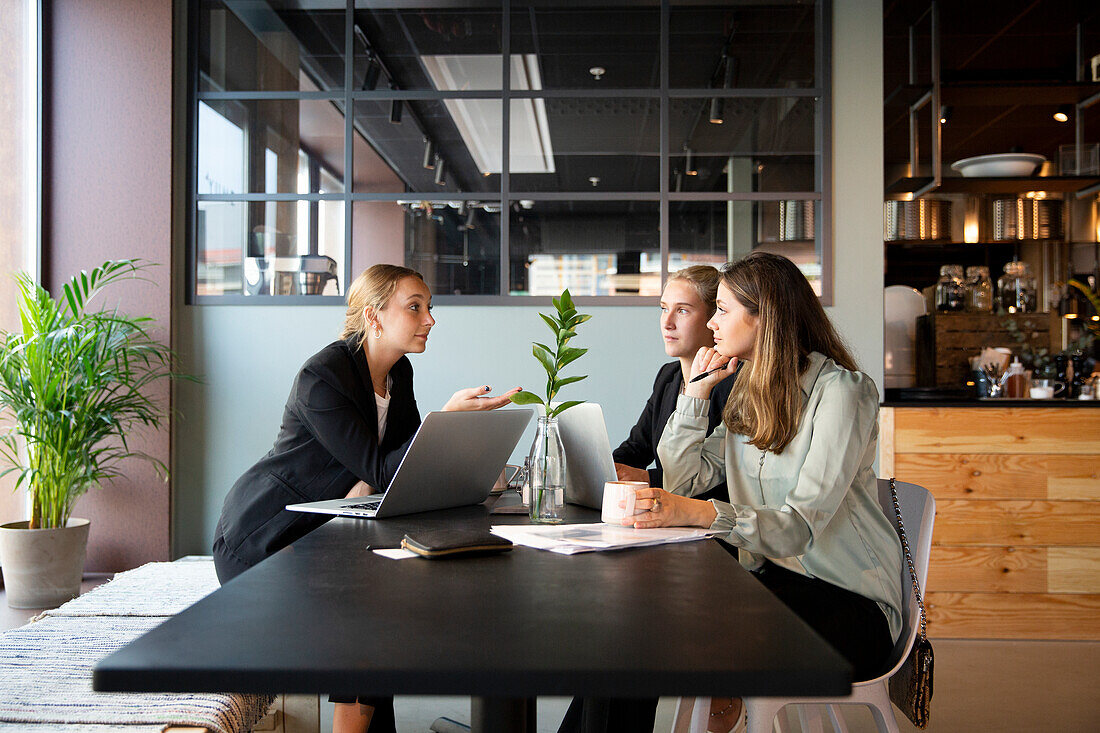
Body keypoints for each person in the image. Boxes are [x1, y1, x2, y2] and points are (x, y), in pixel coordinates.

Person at [212, 264, 520, 733]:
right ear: (374, 316)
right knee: (369, 620)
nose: (430, 319)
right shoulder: (324, 375)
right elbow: (379, 469)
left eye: (429, 307)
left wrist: (461, 437)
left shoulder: (400, 373)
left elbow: (407, 470)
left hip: (326, 532)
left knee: (381, 611)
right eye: (414, 307)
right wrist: (446, 419)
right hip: (265, 541)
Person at [630, 252, 904, 732]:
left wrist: (696, 515)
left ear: (765, 317)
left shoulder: (842, 392)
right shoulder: (747, 389)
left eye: (723, 309)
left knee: (649, 637)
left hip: (851, 607)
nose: (712, 323)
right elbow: (682, 480)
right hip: (775, 586)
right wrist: (695, 395)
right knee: (632, 627)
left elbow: (797, 529)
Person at [612, 265, 735, 499]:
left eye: (683, 311)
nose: (667, 322)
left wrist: (646, 479)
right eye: (664, 309)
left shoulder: (736, 383)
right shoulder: (668, 377)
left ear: (713, 319)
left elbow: (723, 478)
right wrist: (604, 470)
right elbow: (636, 448)